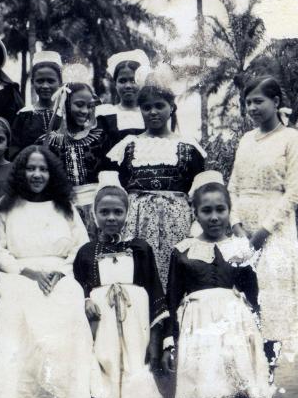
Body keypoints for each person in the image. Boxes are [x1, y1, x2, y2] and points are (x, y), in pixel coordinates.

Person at [0, 145, 95, 398]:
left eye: (43, 169)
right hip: (18, 274)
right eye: (31, 168)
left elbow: (80, 248)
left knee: (69, 300)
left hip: (60, 274)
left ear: (51, 172)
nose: (37, 174)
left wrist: (60, 272)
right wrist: (26, 271)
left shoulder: (65, 207)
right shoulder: (6, 205)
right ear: (21, 171)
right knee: (16, 305)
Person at [164, 178, 273, 398]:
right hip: (198, 319)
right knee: (206, 370)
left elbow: (253, 295)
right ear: (195, 213)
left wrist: (257, 334)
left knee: (235, 362)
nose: (214, 217)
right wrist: (169, 341)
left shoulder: (240, 248)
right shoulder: (182, 250)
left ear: (229, 212)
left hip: (233, 319)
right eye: (206, 210)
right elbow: (172, 297)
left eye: (220, 209)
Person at [229, 75, 298, 363]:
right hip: (241, 230)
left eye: (258, 101)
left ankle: (268, 370)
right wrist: (236, 225)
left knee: (271, 303)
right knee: (240, 300)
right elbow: (234, 186)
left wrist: (262, 232)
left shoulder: (293, 139)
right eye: (247, 103)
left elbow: (294, 193)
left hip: (274, 231)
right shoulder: (245, 140)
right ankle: (245, 373)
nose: (252, 108)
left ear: (276, 102)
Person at [75, 172, 167, 398]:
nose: (111, 218)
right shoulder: (86, 251)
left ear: (127, 213)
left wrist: (155, 321)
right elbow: (79, 284)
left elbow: (154, 285)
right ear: (95, 215)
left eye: (117, 212)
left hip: (134, 313)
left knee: (134, 355)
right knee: (105, 354)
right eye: (104, 212)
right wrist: (86, 301)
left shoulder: (140, 247)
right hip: (102, 314)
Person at [104, 65, 206, 286]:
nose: (153, 112)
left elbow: (199, 192)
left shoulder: (188, 147)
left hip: (177, 222)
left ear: (171, 107)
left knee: (176, 277)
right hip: (136, 222)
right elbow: (116, 191)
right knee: (140, 276)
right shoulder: (127, 146)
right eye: (147, 107)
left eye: (159, 106)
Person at [37, 80, 116, 239]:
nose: (85, 111)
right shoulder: (48, 142)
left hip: (95, 209)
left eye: (89, 106)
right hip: (63, 210)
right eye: (79, 105)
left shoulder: (100, 138)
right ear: (65, 104)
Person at [11, 51, 62, 152]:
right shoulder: (24, 115)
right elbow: (14, 148)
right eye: (40, 81)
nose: (45, 86)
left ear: (60, 82)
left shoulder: (66, 114)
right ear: (32, 82)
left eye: (50, 81)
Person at [98, 49, 152, 138]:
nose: (128, 86)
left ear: (142, 82)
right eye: (122, 81)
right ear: (115, 84)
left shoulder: (150, 113)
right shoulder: (105, 113)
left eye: (133, 80)